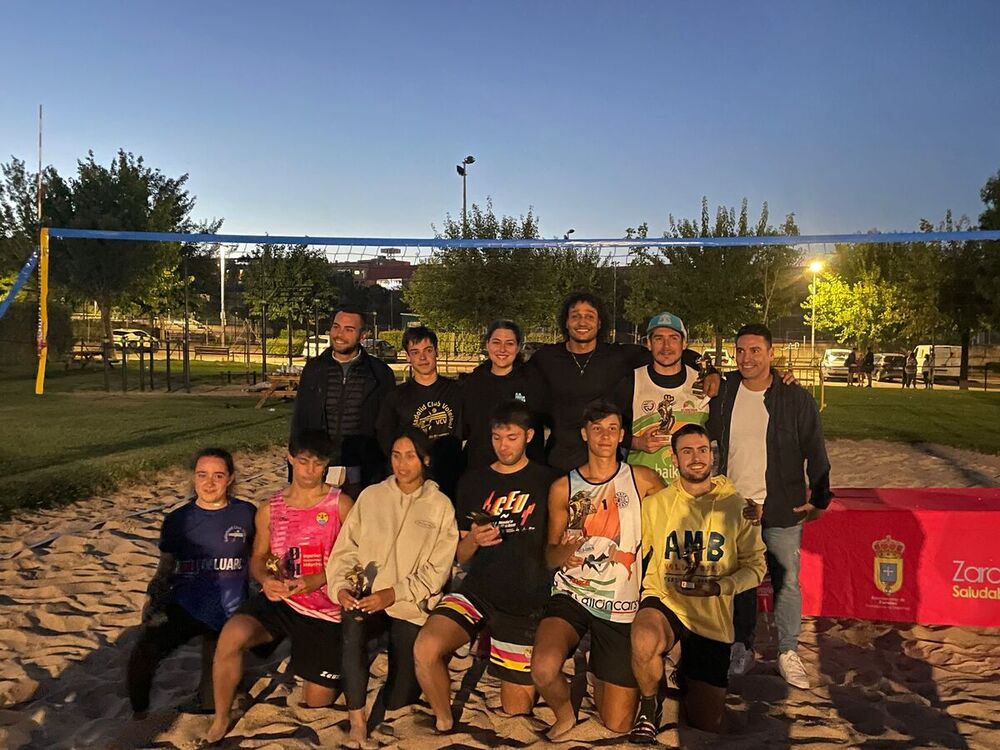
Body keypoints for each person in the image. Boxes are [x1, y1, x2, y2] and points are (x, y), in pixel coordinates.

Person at [414, 401, 557, 731]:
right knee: (426, 647)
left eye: (512, 437)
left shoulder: (548, 481)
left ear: (529, 436)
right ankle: (445, 719)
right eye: (497, 437)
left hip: (526, 600)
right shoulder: (473, 481)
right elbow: (462, 556)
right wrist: (475, 541)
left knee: (516, 710)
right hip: (478, 589)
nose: (504, 445)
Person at [204, 431, 352, 743]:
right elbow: (259, 557)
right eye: (303, 462)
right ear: (290, 458)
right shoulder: (271, 508)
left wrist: (315, 580)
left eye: (318, 464)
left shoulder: (341, 505)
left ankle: (339, 663)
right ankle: (221, 718)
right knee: (231, 635)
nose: (310, 470)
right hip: (282, 598)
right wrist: (266, 579)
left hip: (325, 608)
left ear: (327, 464)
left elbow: (356, 558)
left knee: (317, 702)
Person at [530, 400, 665, 740]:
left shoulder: (643, 479)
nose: (604, 436)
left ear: (622, 435)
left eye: (612, 429)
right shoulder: (565, 487)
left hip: (621, 603)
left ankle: (599, 672)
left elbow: (678, 516)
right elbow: (549, 555)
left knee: (617, 723)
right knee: (544, 669)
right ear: (584, 434)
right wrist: (565, 554)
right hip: (572, 593)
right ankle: (565, 716)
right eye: (597, 429)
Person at [709, 324, 832, 689]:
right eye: (740, 351)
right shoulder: (726, 390)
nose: (747, 358)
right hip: (737, 506)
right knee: (742, 583)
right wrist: (714, 374)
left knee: (787, 581)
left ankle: (787, 650)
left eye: (755, 351)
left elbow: (815, 450)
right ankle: (742, 646)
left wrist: (820, 498)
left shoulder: (794, 397)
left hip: (782, 504)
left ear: (771, 353)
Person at [629, 424, 766, 741]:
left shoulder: (737, 508)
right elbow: (632, 547)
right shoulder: (656, 505)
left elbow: (756, 567)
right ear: (674, 459)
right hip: (666, 600)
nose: (696, 458)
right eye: (687, 451)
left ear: (711, 455)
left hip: (711, 617)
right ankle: (650, 708)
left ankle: (681, 665)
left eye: (702, 450)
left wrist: (720, 587)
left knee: (706, 724)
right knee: (644, 637)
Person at [327, 428, 458, 746]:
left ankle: (407, 689)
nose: (402, 464)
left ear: (424, 460)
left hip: (409, 605)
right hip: (367, 599)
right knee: (352, 626)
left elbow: (437, 572)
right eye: (396, 456)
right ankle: (357, 719)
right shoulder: (371, 496)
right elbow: (346, 550)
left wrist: (393, 593)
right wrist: (343, 587)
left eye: (410, 456)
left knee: (400, 698)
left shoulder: (440, 505)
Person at [127, 448, 255, 716]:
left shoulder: (247, 514)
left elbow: (260, 559)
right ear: (194, 478)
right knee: (144, 652)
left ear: (230, 478)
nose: (209, 483)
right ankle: (138, 714)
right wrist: (153, 602)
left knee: (212, 702)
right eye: (202, 475)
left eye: (218, 475)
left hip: (228, 611)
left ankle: (234, 685)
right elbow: (166, 568)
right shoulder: (177, 519)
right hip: (186, 605)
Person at [528, 292, 717, 473]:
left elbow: (668, 353)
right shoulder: (546, 358)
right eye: (575, 316)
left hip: (607, 465)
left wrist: (710, 371)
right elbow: (520, 386)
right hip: (559, 462)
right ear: (566, 322)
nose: (582, 322)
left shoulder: (619, 356)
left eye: (590, 316)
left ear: (600, 322)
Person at [291, 307, 395, 498]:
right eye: (336, 327)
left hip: (362, 466)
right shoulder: (314, 369)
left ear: (363, 335)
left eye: (349, 329)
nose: (340, 335)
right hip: (320, 462)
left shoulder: (380, 374)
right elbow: (300, 419)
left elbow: (387, 427)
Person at [611, 312, 711, 484]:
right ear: (648, 344)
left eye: (673, 338)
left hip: (691, 491)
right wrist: (636, 442)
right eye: (658, 338)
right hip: (644, 488)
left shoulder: (704, 383)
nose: (666, 346)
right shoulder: (632, 382)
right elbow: (607, 428)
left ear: (684, 343)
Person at [377, 325, 464, 498]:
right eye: (415, 352)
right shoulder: (395, 397)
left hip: (451, 478)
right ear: (408, 357)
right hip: (413, 482)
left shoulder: (458, 391)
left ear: (437, 352)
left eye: (428, 350)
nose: (423, 358)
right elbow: (385, 439)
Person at [460, 319, 548, 469]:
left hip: (523, 473)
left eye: (509, 343)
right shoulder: (472, 383)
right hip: (482, 470)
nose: (502, 349)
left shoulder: (534, 381)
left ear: (518, 347)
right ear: (487, 344)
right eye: (496, 342)